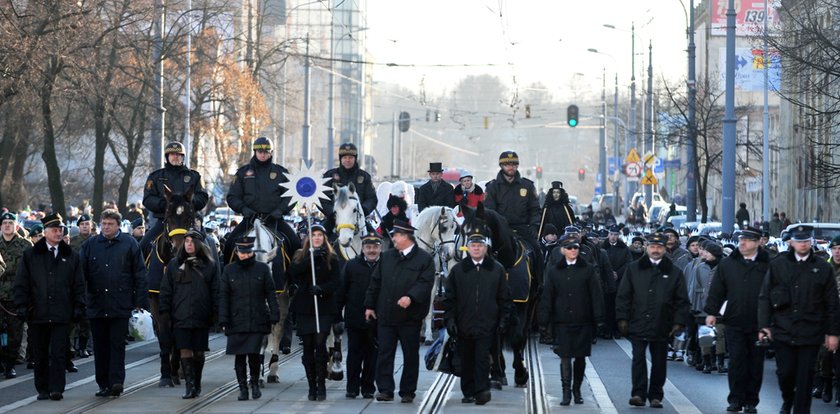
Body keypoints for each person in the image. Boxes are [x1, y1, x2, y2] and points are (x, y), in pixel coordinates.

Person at [758, 225, 840, 414]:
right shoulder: (779, 265)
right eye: (799, 240)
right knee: (785, 374)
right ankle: (788, 399)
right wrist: (764, 325)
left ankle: (801, 410)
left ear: (810, 242)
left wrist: (833, 333)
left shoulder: (822, 267)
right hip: (783, 330)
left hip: (811, 332)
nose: (802, 244)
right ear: (792, 242)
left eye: (806, 240)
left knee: (805, 377)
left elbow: (832, 304)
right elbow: (765, 297)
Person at [13, 213, 85, 401]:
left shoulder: (71, 256)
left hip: (62, 312)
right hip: (38, 312)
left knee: (59, 352)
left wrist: (78, 305)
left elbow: (78, 283)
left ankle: (56, 388)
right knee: (41, 353)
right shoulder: (31, 255)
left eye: (60, 229)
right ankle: (42, 388)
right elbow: (22, 282)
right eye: (54, 230)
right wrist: (22, 305)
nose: (58, 233)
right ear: (45, 232)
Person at [615, 233, 691, 408]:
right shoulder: (634, 268)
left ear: (664, 249)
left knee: (659, 362)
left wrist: (678, 322)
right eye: (652, 247)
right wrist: (622, 318)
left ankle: (656, 395)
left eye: (659, 247)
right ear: (647, 248)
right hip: (638, 321)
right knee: (638, 360)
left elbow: (681, 300)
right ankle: (638, 394)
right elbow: (624, 296)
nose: (655, 250)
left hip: (662, 324)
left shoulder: (674, 272)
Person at [364, 219, 435, 403]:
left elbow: (425, 283)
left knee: (410, 355)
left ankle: (407, 391)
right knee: (384, 353)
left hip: (410, 318)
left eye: (395, 235)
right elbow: (376, 282)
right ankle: (385, 390)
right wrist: (370, 306)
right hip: (386, 315)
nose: (393, 238)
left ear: (405, 236)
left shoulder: (424, 259)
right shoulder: (387, 257)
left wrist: (410, 297)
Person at [79, 209, 147, 397]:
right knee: (100, 347)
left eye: (110, 224)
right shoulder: (90, 245)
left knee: (117, 345)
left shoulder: (129, 244)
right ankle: (103, 383)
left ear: (118, 225)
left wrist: (139, 301)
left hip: (120, 304)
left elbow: (139, 274)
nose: (106, 227)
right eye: (104, 224)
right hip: (97, 304)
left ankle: (116, 381)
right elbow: (80, 274)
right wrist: (81, 299)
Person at [703, 227, 770, 413]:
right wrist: (711, 312)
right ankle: (735, 399)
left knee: (755, 364)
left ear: (757, 243)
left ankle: (751, 401)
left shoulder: (767, 265)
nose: (742, 243)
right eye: (741, 239)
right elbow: (717, 290)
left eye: (747, 240)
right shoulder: (728, 264)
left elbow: (776, 292)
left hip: (759, 323)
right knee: (737, 362)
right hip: (734, 320)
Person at [443, 228, 511, 406]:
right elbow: (450, 298)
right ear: (468, 248)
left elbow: (504, 297)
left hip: (487, 323)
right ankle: (468, 391)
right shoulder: (458, 271)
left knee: (482, 359)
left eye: (480, 245)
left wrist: (504, 319)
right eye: (473, 245)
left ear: (485, 248)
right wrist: (450, 320)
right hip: (464, 323)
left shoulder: (496, 270)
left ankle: (481, 390)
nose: (476, 248)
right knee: (466, 359)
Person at [540, 234, 604, 406]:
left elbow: (595, 295)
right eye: (569, 248)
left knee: (581, 358)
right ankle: (566, 391)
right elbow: (548, 297)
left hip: (583, 320)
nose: (573, 250)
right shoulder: (555, 271)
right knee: (565, 357)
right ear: (563, 250)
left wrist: (598, 318)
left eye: (575, 247)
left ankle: (577, 389)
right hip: (562, 321)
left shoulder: (588, 269)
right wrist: (543, 321)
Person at [159, 229, 219, 399]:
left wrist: (217, 314)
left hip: (201, 315)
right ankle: (189, 386)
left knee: (199, 353)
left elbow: (216, 291)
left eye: (192, 241)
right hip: (180, 315)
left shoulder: (210, 265)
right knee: (185, 350)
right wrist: (165, 312)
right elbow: (166, 289)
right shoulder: (174, 265)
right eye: (186, 241)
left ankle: (197, 382)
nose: (189, 244)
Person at [219, 236, 279, 401]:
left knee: (253, 354)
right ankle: (242, 388)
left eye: (247, 252)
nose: (244, 255)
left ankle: (254, 383)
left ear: (252, 251)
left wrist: (275, 313)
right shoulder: (229, 270)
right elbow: (223, 296)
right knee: (240, 356)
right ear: (237, 252)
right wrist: (223, 319)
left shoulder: (262, 269)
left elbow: (271, 293)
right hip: (236, 319)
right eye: (241, 252)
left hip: (257, 318)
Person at [224, 137, 300, 264]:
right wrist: (244, 209)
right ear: (255, 152)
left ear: (271, 153)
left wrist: (280, 210)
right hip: (250, 220)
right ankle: (225, 279)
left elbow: (291, 196)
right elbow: (232, 197)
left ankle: (294, 282)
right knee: (229, 244)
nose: (263, 154)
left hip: (274, 220)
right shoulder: (243, 173)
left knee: (296, 244)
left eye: (266, 152)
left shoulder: (281, 173)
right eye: (260, 152)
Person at [288, 224, 340, 401]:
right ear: (308, 238)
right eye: (314, 235)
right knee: (308, 347)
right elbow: (293, 273)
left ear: (324, 238)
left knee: (320, 343)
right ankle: (312, 386)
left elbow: (335, 282)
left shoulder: (331, 257)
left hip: (323, 308)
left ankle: (321, 384)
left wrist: (322, 289)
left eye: (320, 235)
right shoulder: (300, 255)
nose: (317, 238)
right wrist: (309, 258)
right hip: (305, 307)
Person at [140, 141, 209, 254]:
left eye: (178, 155)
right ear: (167, 157)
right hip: (165, 220)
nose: (175, 157)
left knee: (209, 246)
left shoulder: (194, 176)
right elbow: (148, 199)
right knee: (143, 245)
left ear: (183, 157)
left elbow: (203, 196)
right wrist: (163, 204)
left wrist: (189, 203)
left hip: (189, 220)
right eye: (172, 154)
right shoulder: (156, 176)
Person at [337, 233, 382, 399]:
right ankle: (352, 387)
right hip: (355, 317)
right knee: (354, 354)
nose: (372, 250)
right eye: (368, 247)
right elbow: (342, 290)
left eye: (375, 247)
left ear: (380, 248)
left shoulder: (385, 265)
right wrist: (337, 316)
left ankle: (368, 387)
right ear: (362, 249)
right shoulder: (351, 266)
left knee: (373, 355)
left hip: (377, 319)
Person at [485, 151, 542, 274]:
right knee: (482, 253)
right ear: (501, 166)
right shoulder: (492, 187)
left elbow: (535, 209)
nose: (511, 167)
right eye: (507, 164)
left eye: (514, 164)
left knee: (537, 251)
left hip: (523, 229)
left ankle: (539, 285)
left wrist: (534, 225)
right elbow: (489, 212)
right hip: (500, 231)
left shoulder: (527, 186)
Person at [0, 211, 33, 378]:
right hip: (0, 296)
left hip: (16, 296)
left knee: (15, 334)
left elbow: (32, 271)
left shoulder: (25, 245)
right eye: (4, 223)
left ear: (16, 226)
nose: (7, 225)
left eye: (10, 223)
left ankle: (10, 364)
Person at [321, 143, 378, 236]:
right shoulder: (329, 176)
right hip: (333, 219)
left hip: (357, 218)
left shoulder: (364, 176)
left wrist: (362, 210)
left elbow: (372, 198)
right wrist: (332, 212)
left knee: (375, 240)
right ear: (340, 159)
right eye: (345, 158)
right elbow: (322, 198)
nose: (347, 160)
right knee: (316, 239)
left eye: (350, 158)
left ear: (355, 159)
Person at [690, 240, 725, 374]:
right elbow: (696, 287)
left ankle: (720, 362)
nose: (704, 254)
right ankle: (707, 362)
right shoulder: (700, 267)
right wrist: (695, 305)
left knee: (720, 334)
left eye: (708, 252)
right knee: (705, 335)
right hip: (704, 306)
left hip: (720, 306)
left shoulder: (723, 266)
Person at [602, 225, 633, 338]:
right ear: (608, 235)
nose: (613, 237)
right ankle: (607, 330)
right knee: (607, 306)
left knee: (618, 306)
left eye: (615, 235)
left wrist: (617, 273)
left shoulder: (624, 248)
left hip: (619, 281)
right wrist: (609, 273)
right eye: (611, 234)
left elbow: (628, 263)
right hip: (606, 281)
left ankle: (617, 330)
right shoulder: (602, 247)